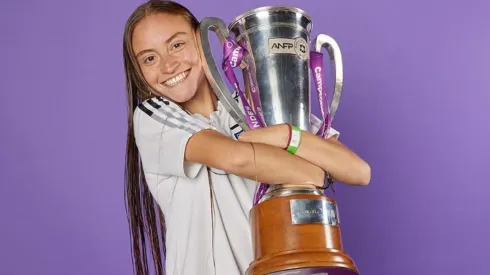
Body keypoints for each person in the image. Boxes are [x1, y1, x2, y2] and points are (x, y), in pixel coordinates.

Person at [122, 1, 371, 275]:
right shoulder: (154, 117)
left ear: (203, 39)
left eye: (177, 45)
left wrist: (287, 134)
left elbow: (358, 172)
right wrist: (320, 173)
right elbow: (236, 157)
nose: (168, 65)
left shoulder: (258, 104)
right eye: (149, 58)